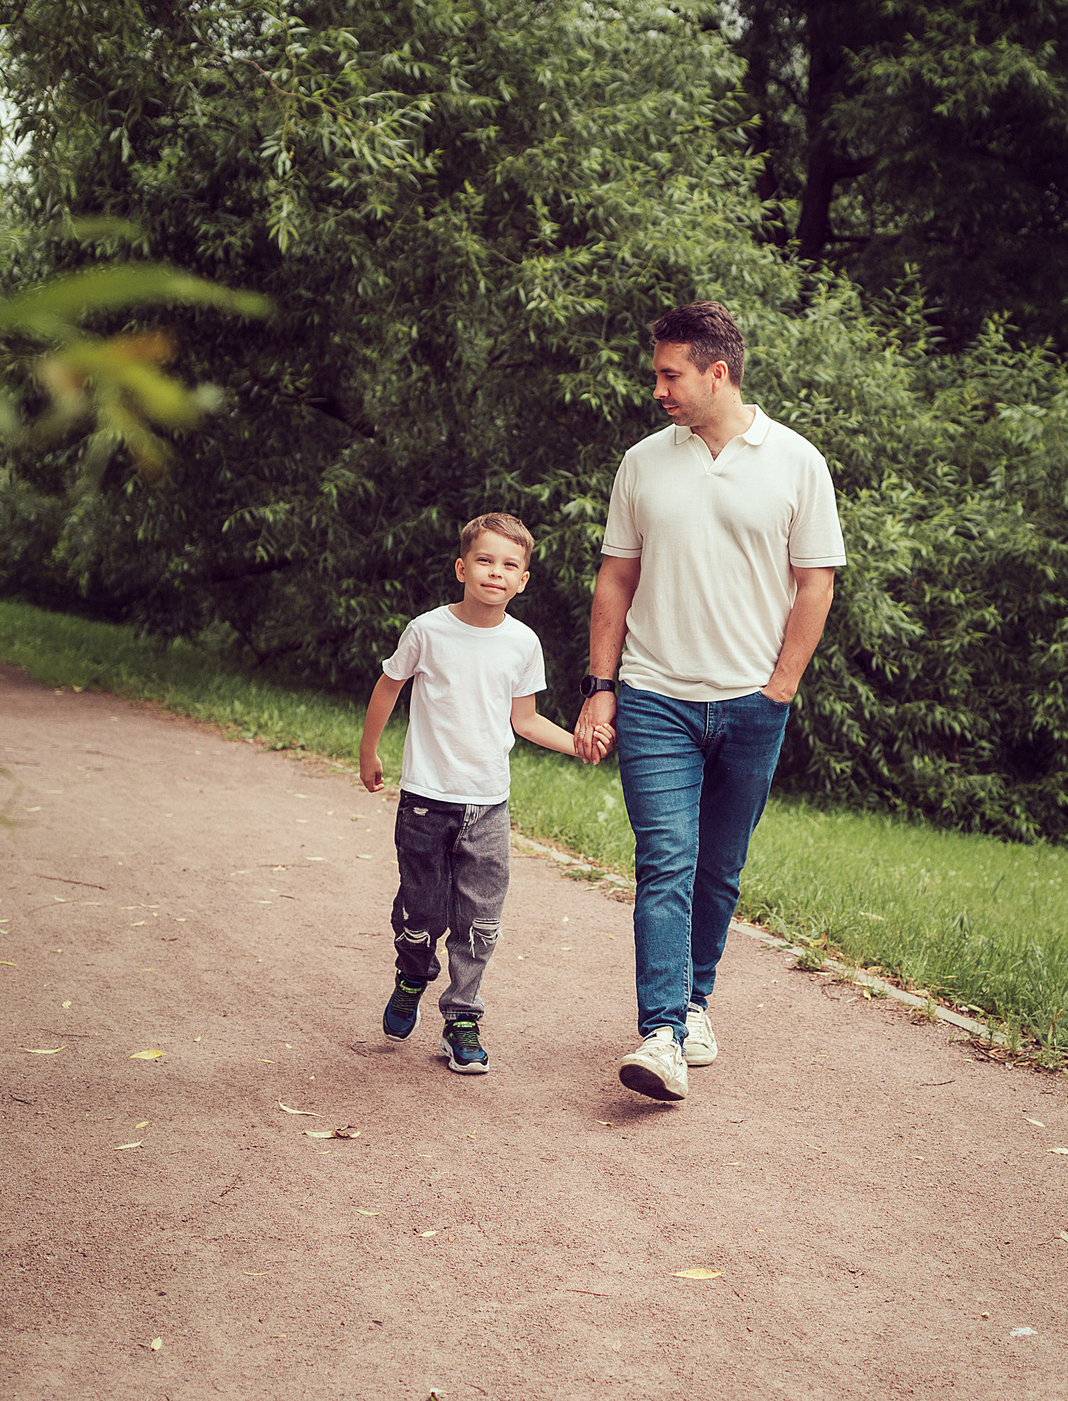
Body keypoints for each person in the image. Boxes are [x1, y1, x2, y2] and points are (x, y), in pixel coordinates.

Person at [574, 302, 844, 1102]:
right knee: (666, 860)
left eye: (669, 373)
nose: (657, 388)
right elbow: (615, 578)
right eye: (656, 373)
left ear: (716, 372)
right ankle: (660, 1032)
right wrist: (601, 688)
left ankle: (695, 1002)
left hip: (753, 705)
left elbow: (816, 582)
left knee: (719, 870)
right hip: (656, 695)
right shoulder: (642, 463)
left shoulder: (797, 462)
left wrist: (780, 687)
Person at [359, 513, 593, 1074]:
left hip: (487, 806)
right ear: (462, 567)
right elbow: (389, 685)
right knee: (422, 912)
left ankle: (462, 1017)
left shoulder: (522, 643)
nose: (496, 572)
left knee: (480, 920)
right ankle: (413, 972)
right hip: (424, 800)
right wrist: (369, 751)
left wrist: (577, 744)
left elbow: (526, 722)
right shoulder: (428, 630)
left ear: (523, 580)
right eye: (485, 561)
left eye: (510, 565)